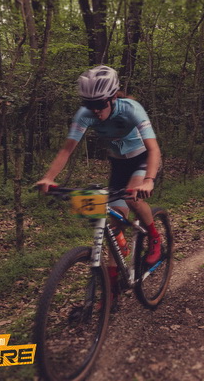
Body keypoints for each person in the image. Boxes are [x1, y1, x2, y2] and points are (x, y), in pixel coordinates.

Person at [36, 65, 162, 309]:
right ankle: (112, 290)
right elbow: (66, 150)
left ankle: (155, 238)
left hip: (142, 159)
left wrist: (149, 180)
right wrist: (49, 178)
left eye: (100, 104)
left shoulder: (131, 109)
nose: (95, 110)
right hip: (118, 163)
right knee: (113, 227)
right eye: (89, 103)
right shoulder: (84, 114)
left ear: (113, 97)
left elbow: (154, 148)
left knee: (132, 199)